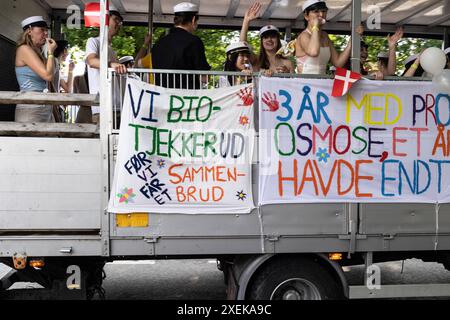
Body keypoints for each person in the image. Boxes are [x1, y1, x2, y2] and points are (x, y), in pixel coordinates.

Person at [151, 2, 211, 89]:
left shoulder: (159, 43)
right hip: (185, 97)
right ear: (194, 20)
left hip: (162, 96)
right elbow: (205, 77)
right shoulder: (194, 41)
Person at [85, 4, 127, 124]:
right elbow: (91, 61)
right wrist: (111, 64)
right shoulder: (93, 41)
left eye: (120, 21)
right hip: (102, 107)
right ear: (105, 19)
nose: (118, 24)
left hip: (117, 106)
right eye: (116, 20)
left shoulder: (112, 50)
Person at [295, 0, 362, 75]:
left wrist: (353, 38)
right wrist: (315, 26)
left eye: (324, 11)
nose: (321, 14)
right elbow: (313, 52)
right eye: (316, 11)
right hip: (305, 84)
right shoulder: (304, 35)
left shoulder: (325, 35)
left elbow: (338, 63)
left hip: (322, 82)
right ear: (306, 16)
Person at [15, 16, 57, 122]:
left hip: (44, 106)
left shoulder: (38, 52)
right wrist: (51, 52)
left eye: (46, 30)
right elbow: (48, 76)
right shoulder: (24, 49)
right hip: (30, 108)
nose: (46, 33)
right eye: (42, 30)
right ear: (29, 31)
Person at [240, 3, 294, 74]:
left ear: (278, 39)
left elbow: (294, 83)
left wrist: (287, 74)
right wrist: (246, 21)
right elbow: (242, 45)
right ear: (262, 41)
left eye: (273, 36)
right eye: (265, 37)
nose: (269, 39)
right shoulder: (256, 60)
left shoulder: (288, 63)